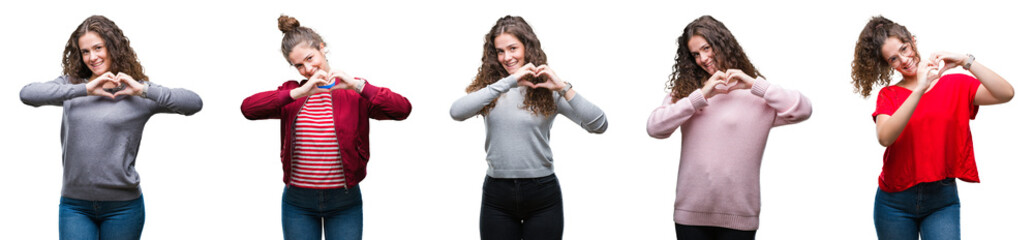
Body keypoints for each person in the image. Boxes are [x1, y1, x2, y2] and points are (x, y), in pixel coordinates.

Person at [19, 15, 203, 240]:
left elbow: (194, 103)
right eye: (85, 51)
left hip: (123, 208)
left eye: (98, 48)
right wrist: (85, 89)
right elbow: (27, 94)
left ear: (113, 47)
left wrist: (143, 90)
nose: (92, 57)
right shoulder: (72, 86)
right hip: (75, 207)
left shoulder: (136, 91)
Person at [240, 15, 412, 240]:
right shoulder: (292, 94)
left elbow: (402, 110)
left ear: (322, 48)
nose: (308, 69)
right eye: (299, 65)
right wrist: (300, 91)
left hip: (345, 202)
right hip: (297, 203)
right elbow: (248, 109)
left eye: (310, 58)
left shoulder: (353, 92)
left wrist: (359, 86)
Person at [646, 15, 812, 240]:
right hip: (690, 216)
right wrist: (701, 95)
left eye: (706, 48)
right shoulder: (690, 94)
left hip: (739, 217)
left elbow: (803, 109)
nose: (703, 58)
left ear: (722, 43)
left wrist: (755, 84)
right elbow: (655, 127)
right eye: (695, 54)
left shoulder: (756, 96)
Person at [850, 16, 1014, 240]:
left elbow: (1005, 93)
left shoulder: (955, 84)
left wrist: (966, 60)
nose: (904, 60)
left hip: (941, 200)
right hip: (894, 203)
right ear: (888, 65)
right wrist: (919, 88)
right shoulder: (889, 95)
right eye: (893, 59)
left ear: (913, 41)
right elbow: (884, 137)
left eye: (905, 49)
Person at [449, 15, 608, 240]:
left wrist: (562, 87)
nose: (507, 57)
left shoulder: (548, 88)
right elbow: (456, 112)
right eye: (500, 51)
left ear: (527, 46)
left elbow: (599, 124)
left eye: (513, 48)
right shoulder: (493, 89)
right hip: (497, 195)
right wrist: (509, 82)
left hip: (542, 194)